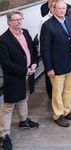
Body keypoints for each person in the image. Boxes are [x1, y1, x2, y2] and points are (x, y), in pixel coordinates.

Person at [0, 11, 40, 150]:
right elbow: (5, 63)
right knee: (8, 106)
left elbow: (33, 50)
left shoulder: (26, 32)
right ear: (9, 22)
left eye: (20, 19)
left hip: (29, 72)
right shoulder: (3, 39)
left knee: (24, 97)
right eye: (15, 20)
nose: (19, 22)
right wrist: (24, 70)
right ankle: (4, 135)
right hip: (14, 77)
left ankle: (24, 121)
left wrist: (34, 63)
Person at [40, 0, 71, 127]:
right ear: (53, 9)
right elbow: (44, 49)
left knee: (69, 89)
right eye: (59, 8)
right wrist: (49, 68)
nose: (62, 10)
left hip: (70, 62)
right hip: (56, 66)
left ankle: (67, 111)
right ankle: (58, 114)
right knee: (57, 92)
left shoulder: (69, 20)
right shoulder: (47, 25)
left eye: (64, 8)